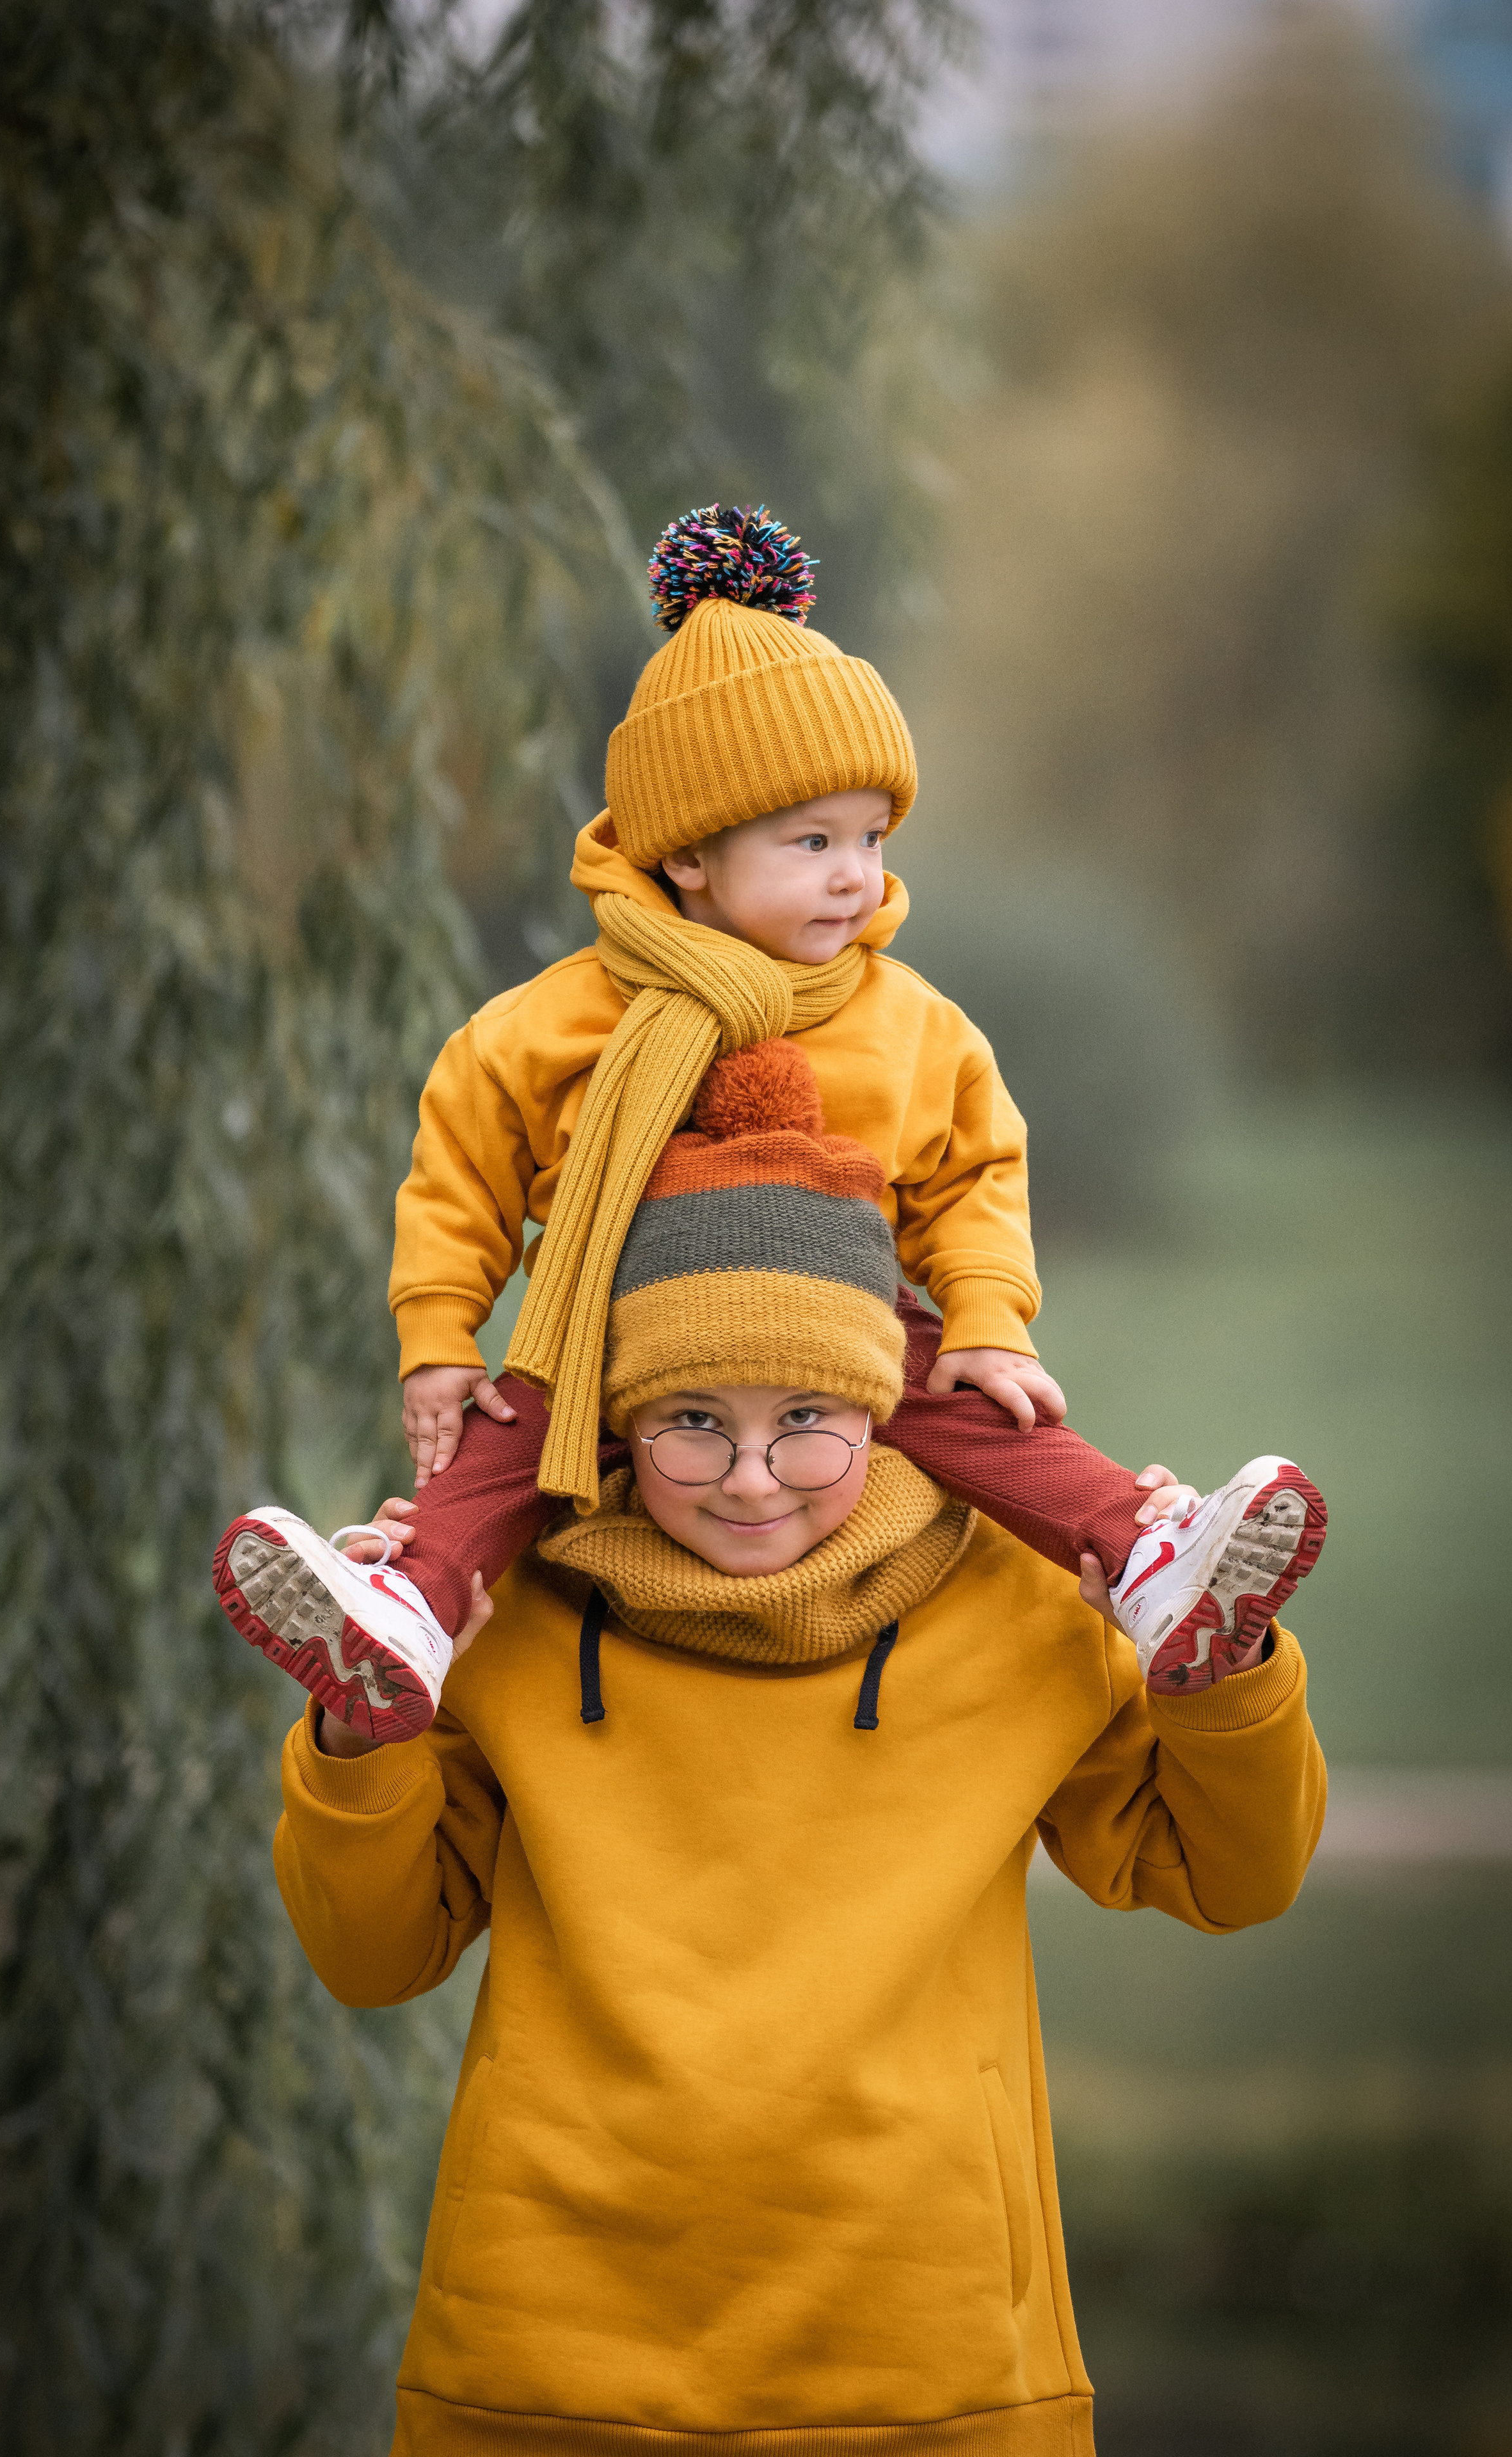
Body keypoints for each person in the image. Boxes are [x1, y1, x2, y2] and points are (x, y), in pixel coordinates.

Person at [269, 1042, 1328, 2457]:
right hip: (544, 2366)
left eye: (806, 1423)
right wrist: (362, 1728)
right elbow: (371, 1951)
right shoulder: (500, 1619)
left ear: (880, 1411)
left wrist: (1224, 1675)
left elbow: (1228, 1876)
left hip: (935, 2369)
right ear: (618, 1423)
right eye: (692, 1423)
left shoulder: (1011, 1603)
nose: (751, 1477)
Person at [216, 503, 1325, 1743]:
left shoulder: (910, 1023)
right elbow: (461, 1169)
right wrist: (438, 1336)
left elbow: (972, 1172)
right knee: (504, 1441)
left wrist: (987, 1321)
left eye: (869, 836)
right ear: (686, 855)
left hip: (844, 1332)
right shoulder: (558, 1022)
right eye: (810, 843)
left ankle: (1145, 1563)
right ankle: (402, 1609)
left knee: (993, 1417)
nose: (855, 875)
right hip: (617, 1334)